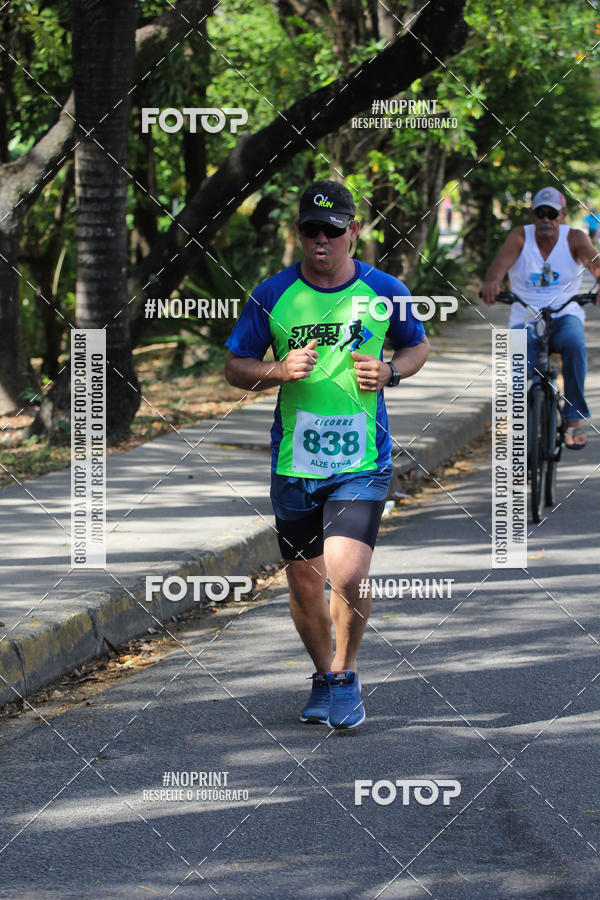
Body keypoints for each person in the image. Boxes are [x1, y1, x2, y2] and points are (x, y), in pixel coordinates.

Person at [224, 180, 429, 728]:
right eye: (312, 230)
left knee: (349, 572)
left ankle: (344, 674)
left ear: (353, 231)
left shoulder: (384, 290)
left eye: (333, 231)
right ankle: (322, 674)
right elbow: (235, 366)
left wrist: (391, 371)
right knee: (304, 580)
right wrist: (276, 370)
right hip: (295, 463)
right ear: (299, 232)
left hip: (362, 461)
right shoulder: (273, 294)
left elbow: (417, 345)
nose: (322, 240)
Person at [482, 186, 600, 449]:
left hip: (565, 312)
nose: (546, 219)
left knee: (575, 345)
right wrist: (492, 283)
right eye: (540, 213)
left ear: (563, 215)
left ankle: (573, 418)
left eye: (552, 214)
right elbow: (497, 269)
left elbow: (596, 265)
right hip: (526, 315)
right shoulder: (519, 237)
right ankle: (519, 431)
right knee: (518, 372)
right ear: (533, 215)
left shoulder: (575, 238)